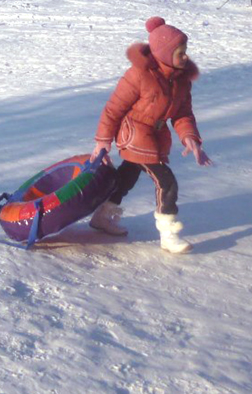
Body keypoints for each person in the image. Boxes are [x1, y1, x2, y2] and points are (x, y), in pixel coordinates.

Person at [89, 17, 213, 253]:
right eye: (180, 52)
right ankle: (169, 235)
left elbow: (183, 114)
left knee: (128, 175)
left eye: (185, 51)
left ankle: (102, 217)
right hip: (135, 133)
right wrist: (102, 142)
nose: (185, 56)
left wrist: (190, 139)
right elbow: (113, 109)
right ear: (164, 53)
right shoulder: (139, 75)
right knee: (166, 182)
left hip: (155, 134)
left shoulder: (180, 80)